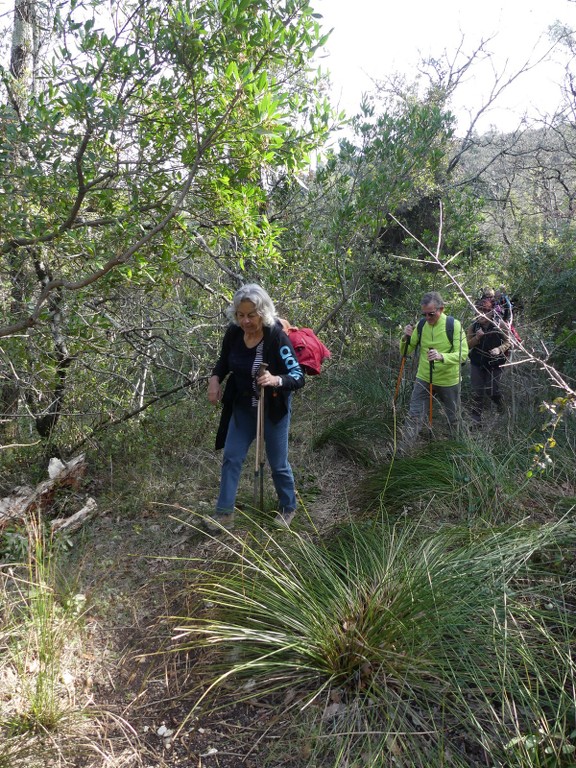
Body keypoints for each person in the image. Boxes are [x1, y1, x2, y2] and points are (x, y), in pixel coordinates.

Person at [207, 284, 305, 530]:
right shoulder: (233, 333)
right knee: (231, 457)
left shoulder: (276, 337)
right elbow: (223, 363)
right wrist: (214, 379)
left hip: (271, 408)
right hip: (242, 406)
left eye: (251, 315)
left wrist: (276, 379)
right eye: (240, 315)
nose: (245, 321)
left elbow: (297, 375)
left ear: (263, 312)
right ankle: (224, 514)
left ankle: (288, 507)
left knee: (277, 462)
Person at [398, 291, 468, 450]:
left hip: (448, 380)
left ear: (441, 309)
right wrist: (405, 338)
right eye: (424, 314)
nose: (428, 318)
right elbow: (405, 352)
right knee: (414, 415)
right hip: (424, 378)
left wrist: (442, 356)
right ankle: (402, 450)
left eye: (431, 314)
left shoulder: (453, 325)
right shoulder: (422, 325)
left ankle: (457, 449)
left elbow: (463, 355)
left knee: (454, 418)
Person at [466, 295, 512, 427]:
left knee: (493, 390)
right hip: (477, 362)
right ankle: (475, 422)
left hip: (495, 363)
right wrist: (477, 338)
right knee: (477, 392)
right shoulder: (473, 327)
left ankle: (501, 407)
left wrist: (499, 349)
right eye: (478, 312)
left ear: (491, 312)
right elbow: (467, 345)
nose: (480, 315)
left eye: (484, 311)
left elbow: (509, 341)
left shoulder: (500, 324)